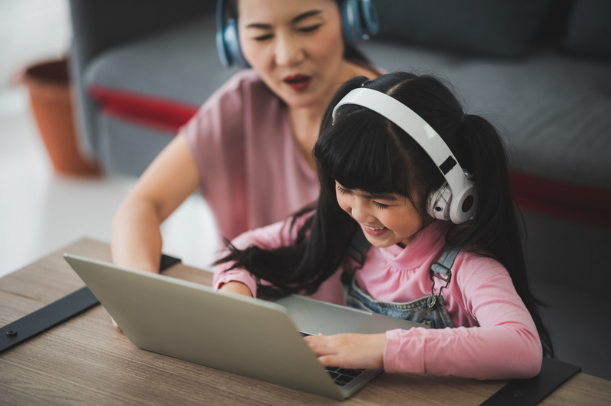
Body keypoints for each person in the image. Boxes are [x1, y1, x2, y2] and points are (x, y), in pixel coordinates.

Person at [214, 72, 554, 379]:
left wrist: (383, 349)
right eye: (345, 189)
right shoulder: (346, 231)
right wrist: (236, 297)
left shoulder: (469, 268)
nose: (359, 213)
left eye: (381, 202)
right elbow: (245, 246)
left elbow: (522, 348)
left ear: (445, 197)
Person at [110, 0, 381, 276]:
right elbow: (142, 205)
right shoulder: (239, 105)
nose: (287, 56)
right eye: (261, 36)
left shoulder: (396, 118)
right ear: (234, 41)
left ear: (350, 16)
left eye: (308, 27)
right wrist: (139, 279)